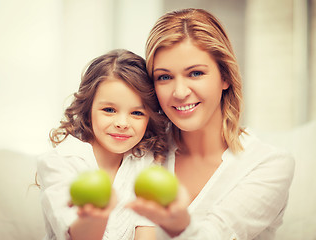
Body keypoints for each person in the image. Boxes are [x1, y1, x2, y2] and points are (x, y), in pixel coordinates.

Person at [127, 8, 295, 240]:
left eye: (195, 73)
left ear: (225, 76)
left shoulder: (269, 165)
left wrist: (179, 225)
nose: (179, 92)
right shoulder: (141, 151)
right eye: (164, 77)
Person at [37, 49, 167, 240]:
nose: (122, 123)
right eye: (109, 109)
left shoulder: (147, 161)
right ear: (88, 109)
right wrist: (100, 211)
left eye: (137, 113)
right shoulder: (60, 162)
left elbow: (146, 229)